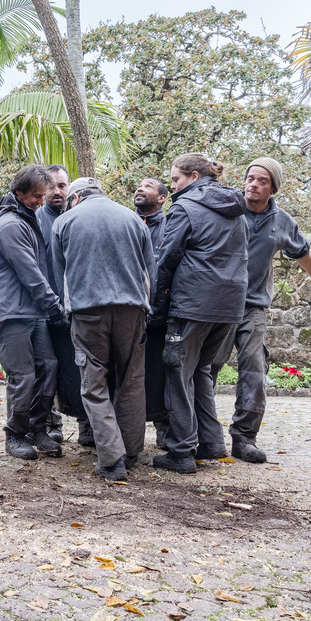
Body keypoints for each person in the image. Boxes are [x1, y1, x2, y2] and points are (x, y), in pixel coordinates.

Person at [226, 157, 311, 463]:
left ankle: (244, 438)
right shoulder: (228, 209)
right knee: (205, 367)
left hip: (253, 306)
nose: (253, 185)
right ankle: (199, 436)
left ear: (273, 188)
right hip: (218, 303)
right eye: (250, 178)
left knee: (254, 369)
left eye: (262, 181)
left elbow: (301, 250)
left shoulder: (281, 221)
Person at [151, 153, 248, 475]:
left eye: (175, 179)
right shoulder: (236, 208)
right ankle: (211, 441)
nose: (172, 186)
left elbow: (167, 260)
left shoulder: (184, 207)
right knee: (201, 370)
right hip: (229, 304)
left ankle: (181, 451)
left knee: (178, 371)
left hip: (194, 303)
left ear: (193, 176)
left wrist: (157, 307)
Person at [52, 178, 155, 482]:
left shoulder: (64, 222)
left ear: (76, 198)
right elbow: (150, 269)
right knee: (132, 379)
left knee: (94, 384)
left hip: (88, 311)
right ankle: (131, 452)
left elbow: (60, 275)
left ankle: (111, 460)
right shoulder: (133, 219)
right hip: (132, 310)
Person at [0, 164, 69, 460]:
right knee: (23, 376)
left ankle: (37, 429)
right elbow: (30, 274)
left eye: (43, 196)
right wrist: (55, 308)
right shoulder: (10, 226)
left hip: (33, 310)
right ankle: (15, 434)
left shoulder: (26, 219)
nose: (41, 202)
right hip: (12, 312)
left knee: (49, 366)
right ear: (19, 192)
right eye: (36, 196)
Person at [35, 164, 78, 444]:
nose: (57, 191)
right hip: (45, 309)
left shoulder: (79, 217)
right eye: (51, 186)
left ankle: (86, 424)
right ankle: (52, 424)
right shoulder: (35, 221)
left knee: (80, 367)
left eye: (62, 185)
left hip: (78, 308)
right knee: (48, 368)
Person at [134, 178, 171, 449]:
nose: (140, 188)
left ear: (161, 198)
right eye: (139, 185)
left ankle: (163, 427)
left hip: (163, 311)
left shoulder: (171, 226)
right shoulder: (125, 223)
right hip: (130, 311)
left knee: (160, 373)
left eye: (148, 186)